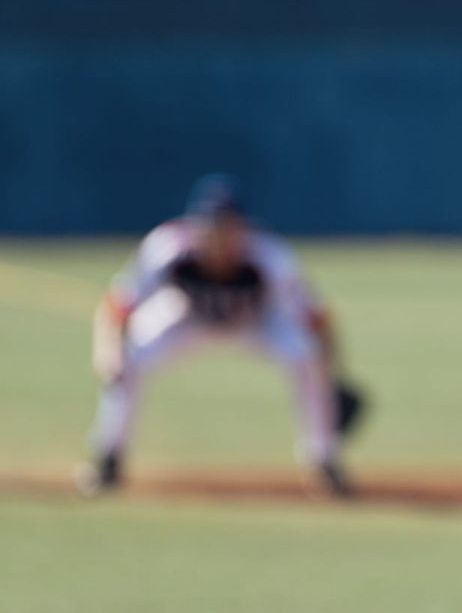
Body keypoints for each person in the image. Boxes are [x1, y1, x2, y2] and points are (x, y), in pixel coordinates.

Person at [77, 174, 365, 496]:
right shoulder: (167, 248)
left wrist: (333, 373)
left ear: (242, 228)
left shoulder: (269, 257)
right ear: (194, 225)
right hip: (186, 317)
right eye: (210, 225)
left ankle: (323, 462)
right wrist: (106, 351)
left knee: (305, 355)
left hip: (257, 322)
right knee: (128, 356)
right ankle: (108, 459)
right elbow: (116, 305)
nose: (218, 235)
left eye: (227, 226)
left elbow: (317, 318)